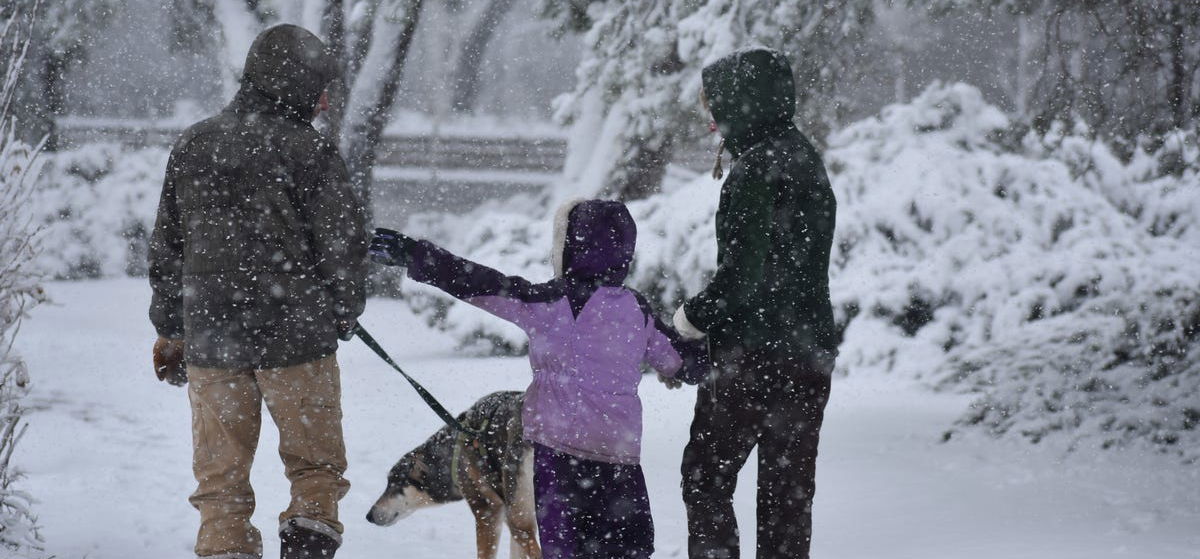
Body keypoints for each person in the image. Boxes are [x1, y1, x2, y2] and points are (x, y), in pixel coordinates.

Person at [369, 199, 707, 559]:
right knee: (625, 549)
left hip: (559, 458)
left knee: (566, 548)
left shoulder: (548, 301)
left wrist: (415, 254)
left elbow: (479, 283)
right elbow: (680, 363)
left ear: (568, 247)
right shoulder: (637, 310)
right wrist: (722, 335)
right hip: (618, 459)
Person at [148, 24, 367, 559]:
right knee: (315, 467)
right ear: (292, 82)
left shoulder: (195, 144)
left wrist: (171, 329)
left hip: (213, 343)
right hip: (298, 342)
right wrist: (342, 312)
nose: (323, 99)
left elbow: (167, 248)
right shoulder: (308, 152)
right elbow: (342, 247)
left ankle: (226, 548)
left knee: (219, 482)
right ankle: (309, 540)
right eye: (318, 85)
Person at [672, 47, 838, 559]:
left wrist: (688, 321)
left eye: (715, 106)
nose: (711, 120)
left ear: (740, 104)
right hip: (809, 355)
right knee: (786, 496)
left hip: (752, 357)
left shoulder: (755, 172)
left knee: (705, 477)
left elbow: (742, 280)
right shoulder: (805, 158)